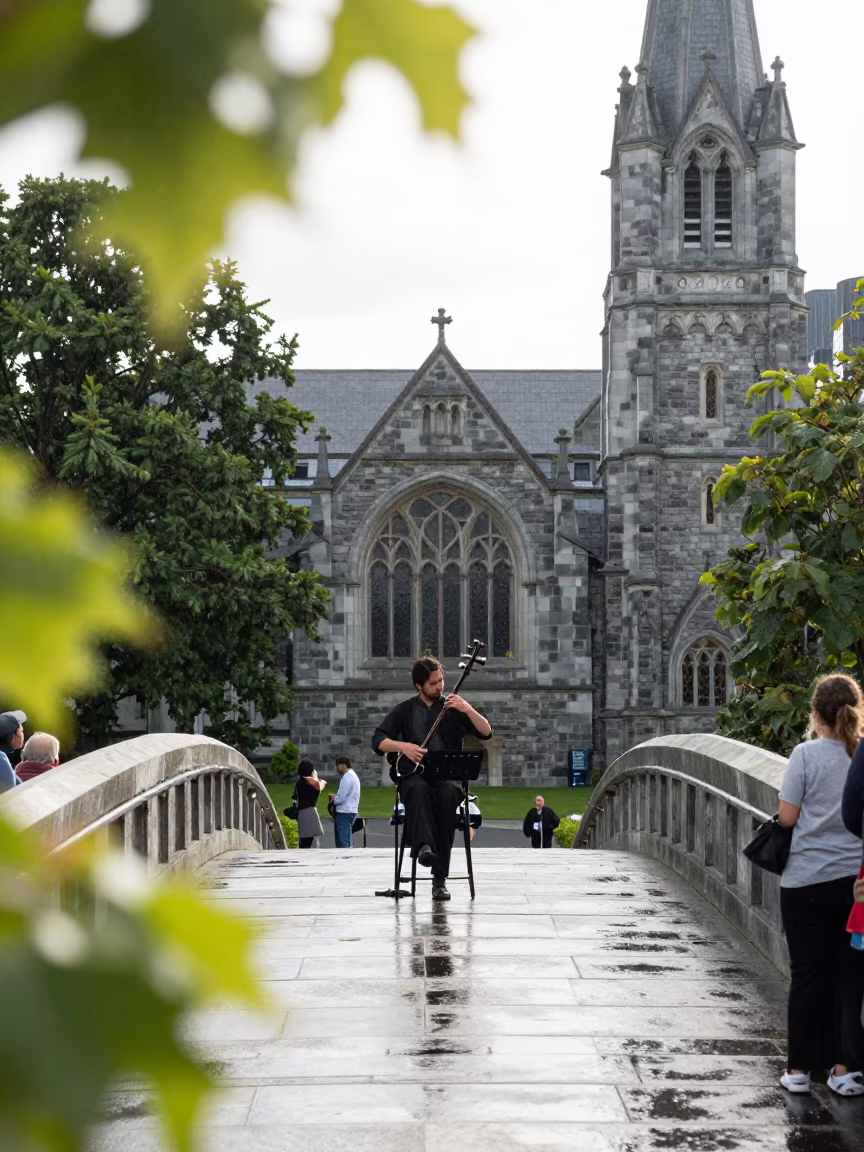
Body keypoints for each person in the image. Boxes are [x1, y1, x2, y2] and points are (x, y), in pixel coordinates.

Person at [777, 674, 864, 1097]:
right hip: (853, 886)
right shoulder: (860, 756)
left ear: (815, 714)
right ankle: (843, 1069)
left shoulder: (804, 755)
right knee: (847, 979)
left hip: (805, 881)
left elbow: (788, 817)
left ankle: (797, 1071)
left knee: (807, 975)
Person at [372, 656, 492, 901]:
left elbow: (486, 732)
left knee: (448, 795)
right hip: (414, 776)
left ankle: (439, 878)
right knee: (416, 790)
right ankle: (425, 848)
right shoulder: (404, 710)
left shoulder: (452, 708)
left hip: (447, 777)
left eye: (442, 680)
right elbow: (378, 740)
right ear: (419, 685)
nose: (440, 687)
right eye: (434, 683)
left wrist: (466, 708)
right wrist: (403, 746)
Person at [295, 759, 326, 849]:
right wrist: (316, 777)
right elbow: (320, 786)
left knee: (304, 841)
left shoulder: (299, 783)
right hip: (310, 812)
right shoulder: (312, 783)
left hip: (301, 813)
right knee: (311, 841)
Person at [332, 755, 361, 849]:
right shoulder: (354, 775)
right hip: (352, 810)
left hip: (344, 812)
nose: (337, 768)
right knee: (348, 839)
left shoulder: (347, 777)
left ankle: (344, 860)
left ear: (343, 765)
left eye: (337, 765)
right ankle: (349, 859)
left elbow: (341, 798)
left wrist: (334, 800)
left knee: (342, 841)